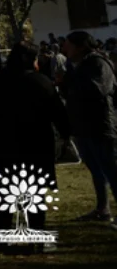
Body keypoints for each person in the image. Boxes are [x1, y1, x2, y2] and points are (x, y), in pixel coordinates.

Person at [0, 40, 69, 239]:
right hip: (37, 143)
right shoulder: (42, 82)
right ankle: (36, 234)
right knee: (35, 191)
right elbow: (58, 113)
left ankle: (3, 236)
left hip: (7, 141)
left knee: (7, 191)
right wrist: (66, 135)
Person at [61, 30, 117, 228]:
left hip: (100, 125)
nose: (64, 48)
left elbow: (97, 90)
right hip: (85, 126)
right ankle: (103, 209)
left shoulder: (98, 63)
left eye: (68, 44)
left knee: (111, 169)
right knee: (96, 170)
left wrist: (72, 82)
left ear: (81, 45)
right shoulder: (80, 65)